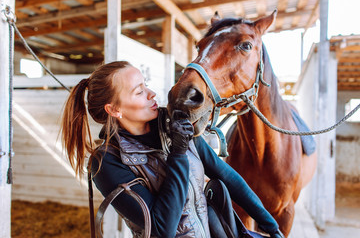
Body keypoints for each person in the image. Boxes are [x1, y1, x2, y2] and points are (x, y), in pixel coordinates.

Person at [60, 61, 284, 238]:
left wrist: (270, 224)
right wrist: (178, 153)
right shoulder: (107, 163)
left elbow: (223, 173)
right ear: (115, 109)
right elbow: (162, 227)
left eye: (145, 84)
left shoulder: (174, 125)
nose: (152, 94)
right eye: (139, 92)